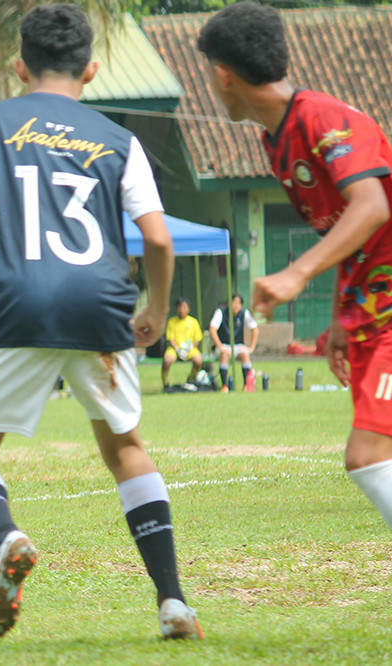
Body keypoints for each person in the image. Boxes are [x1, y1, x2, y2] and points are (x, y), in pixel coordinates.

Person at [0, 4, 201, 639]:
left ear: (18, 66)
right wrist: (154, 309)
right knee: (126, 448)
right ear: (93, 70)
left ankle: (7, 537)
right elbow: (158, 240)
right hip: (102, 306)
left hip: (19, 303)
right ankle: (173, 603)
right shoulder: (119, 139)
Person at [199, 2, 392, 530]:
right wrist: (338, 315)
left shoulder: (322, 118)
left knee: (367, 454)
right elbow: (346, 233)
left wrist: (296, 273)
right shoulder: (277, 142)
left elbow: (373, 206)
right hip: (370, 312)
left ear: (223, 75)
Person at [208, 293, 259, 391]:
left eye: (238, 303)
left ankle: (246, 385)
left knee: (245, 354)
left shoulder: (244, 313)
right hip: (224, 345)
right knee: (225, 354)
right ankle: (224, 385)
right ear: (228, 303)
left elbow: (255, 329)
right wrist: (219, 346)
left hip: (237, 346)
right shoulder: (221, 312)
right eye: (233, 302)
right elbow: (212, 329)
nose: (235, 305)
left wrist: (251, 347)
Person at [162, 297, 204, 389]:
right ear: (176, 309)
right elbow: (170, 338)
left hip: (189, 349)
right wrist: (177, 349)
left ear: (188, 309)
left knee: (198, 361)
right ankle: (165, 383)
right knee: (167, 361)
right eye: (180, 307)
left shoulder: (193, 322)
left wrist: (189, 348)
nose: (182, 310)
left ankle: (191, 379)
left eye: (184, 307)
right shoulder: (172, 322)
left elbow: (197, 339)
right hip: (175, 349)